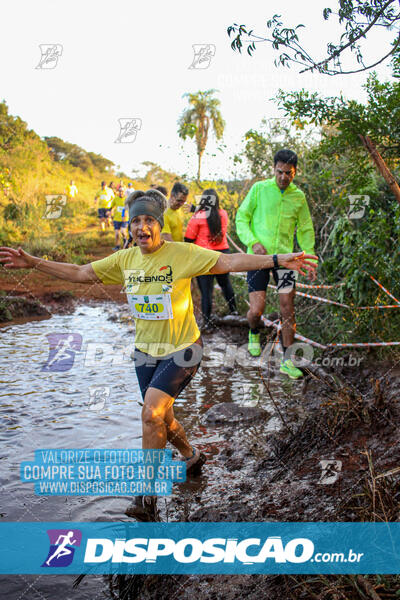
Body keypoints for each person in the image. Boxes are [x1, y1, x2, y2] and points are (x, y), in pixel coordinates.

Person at [0, 190, 317, 520]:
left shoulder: (181, 254)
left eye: (149, 219)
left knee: (151, 414)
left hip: (184, 350)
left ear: (159, 224)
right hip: (144, 355)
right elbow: (80, 273)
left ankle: (146, 496)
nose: (142, 227)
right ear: (130, 226)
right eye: (136, 220)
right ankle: (191, 455)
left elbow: (229, 262)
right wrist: (32, 262)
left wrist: (279, 260)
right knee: (162, 416)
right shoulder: (125, 260)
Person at [236, 148, 317, 380]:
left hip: (285, 260)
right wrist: (252, 241)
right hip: (258, 258)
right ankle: (253, 331)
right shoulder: (259, 189)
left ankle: (288, 361)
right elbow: (242, 217)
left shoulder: (298, 197)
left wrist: (308, 256)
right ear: (273, 169)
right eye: (279, 172)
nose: (283, 177)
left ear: (295, 172)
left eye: (288, 173)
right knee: (256, 310)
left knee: (287, 306)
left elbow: (305, 228)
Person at [185, 188, 237, 330]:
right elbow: (212, 215)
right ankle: (234, 311)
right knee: (226, 285)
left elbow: (188, 239)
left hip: (204, 257)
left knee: (206, 291)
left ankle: (207, 322)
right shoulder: (224, 214)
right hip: (222, 254)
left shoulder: (197, 216)